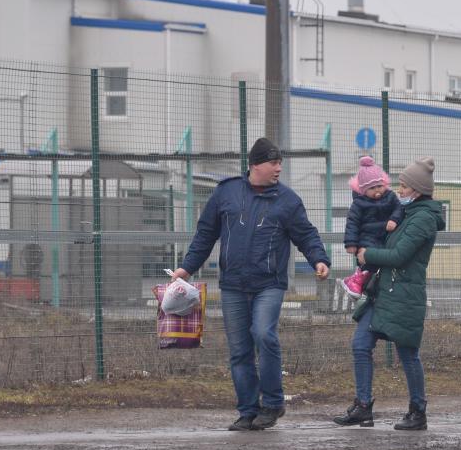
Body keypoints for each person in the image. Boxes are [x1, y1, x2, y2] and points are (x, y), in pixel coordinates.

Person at [172, 138, 330, 431]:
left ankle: (273, 403)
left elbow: (306, 234)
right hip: (233, 284)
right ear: (255, 164)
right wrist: (187, 268)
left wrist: (318, 259)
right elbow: (205, 234)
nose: (279, 168)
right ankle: (247, 410)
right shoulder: (226, 192)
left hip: (269, 283)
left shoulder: (288, 200)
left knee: (263, 333)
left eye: (280, 162)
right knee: (239, 350)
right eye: (273, 162)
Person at [333, 157, 444, 431]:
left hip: (404, 295)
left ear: (417, 190)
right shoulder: (405, 212)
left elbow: (399, 255)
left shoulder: (423, 219)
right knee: (361, 344)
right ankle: (362, 406)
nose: (399, 190)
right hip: (384, 291)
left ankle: (418, 411)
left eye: (404, 186)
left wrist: (367, 254)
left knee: (408, 354)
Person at [339, 156, 405, 299]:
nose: (377, 190)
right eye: (372, 188)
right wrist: (351, 243)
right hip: (367, 236)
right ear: (363, 190)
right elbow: (352, 222)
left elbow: (399, 208)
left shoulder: (390, 196)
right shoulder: (359, 203)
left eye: (379, 186)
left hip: (385, 235)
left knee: (379, 263)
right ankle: (357, 281)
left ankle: (357, 281)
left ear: (384, 184)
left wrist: (394, 219)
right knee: (369, 260)